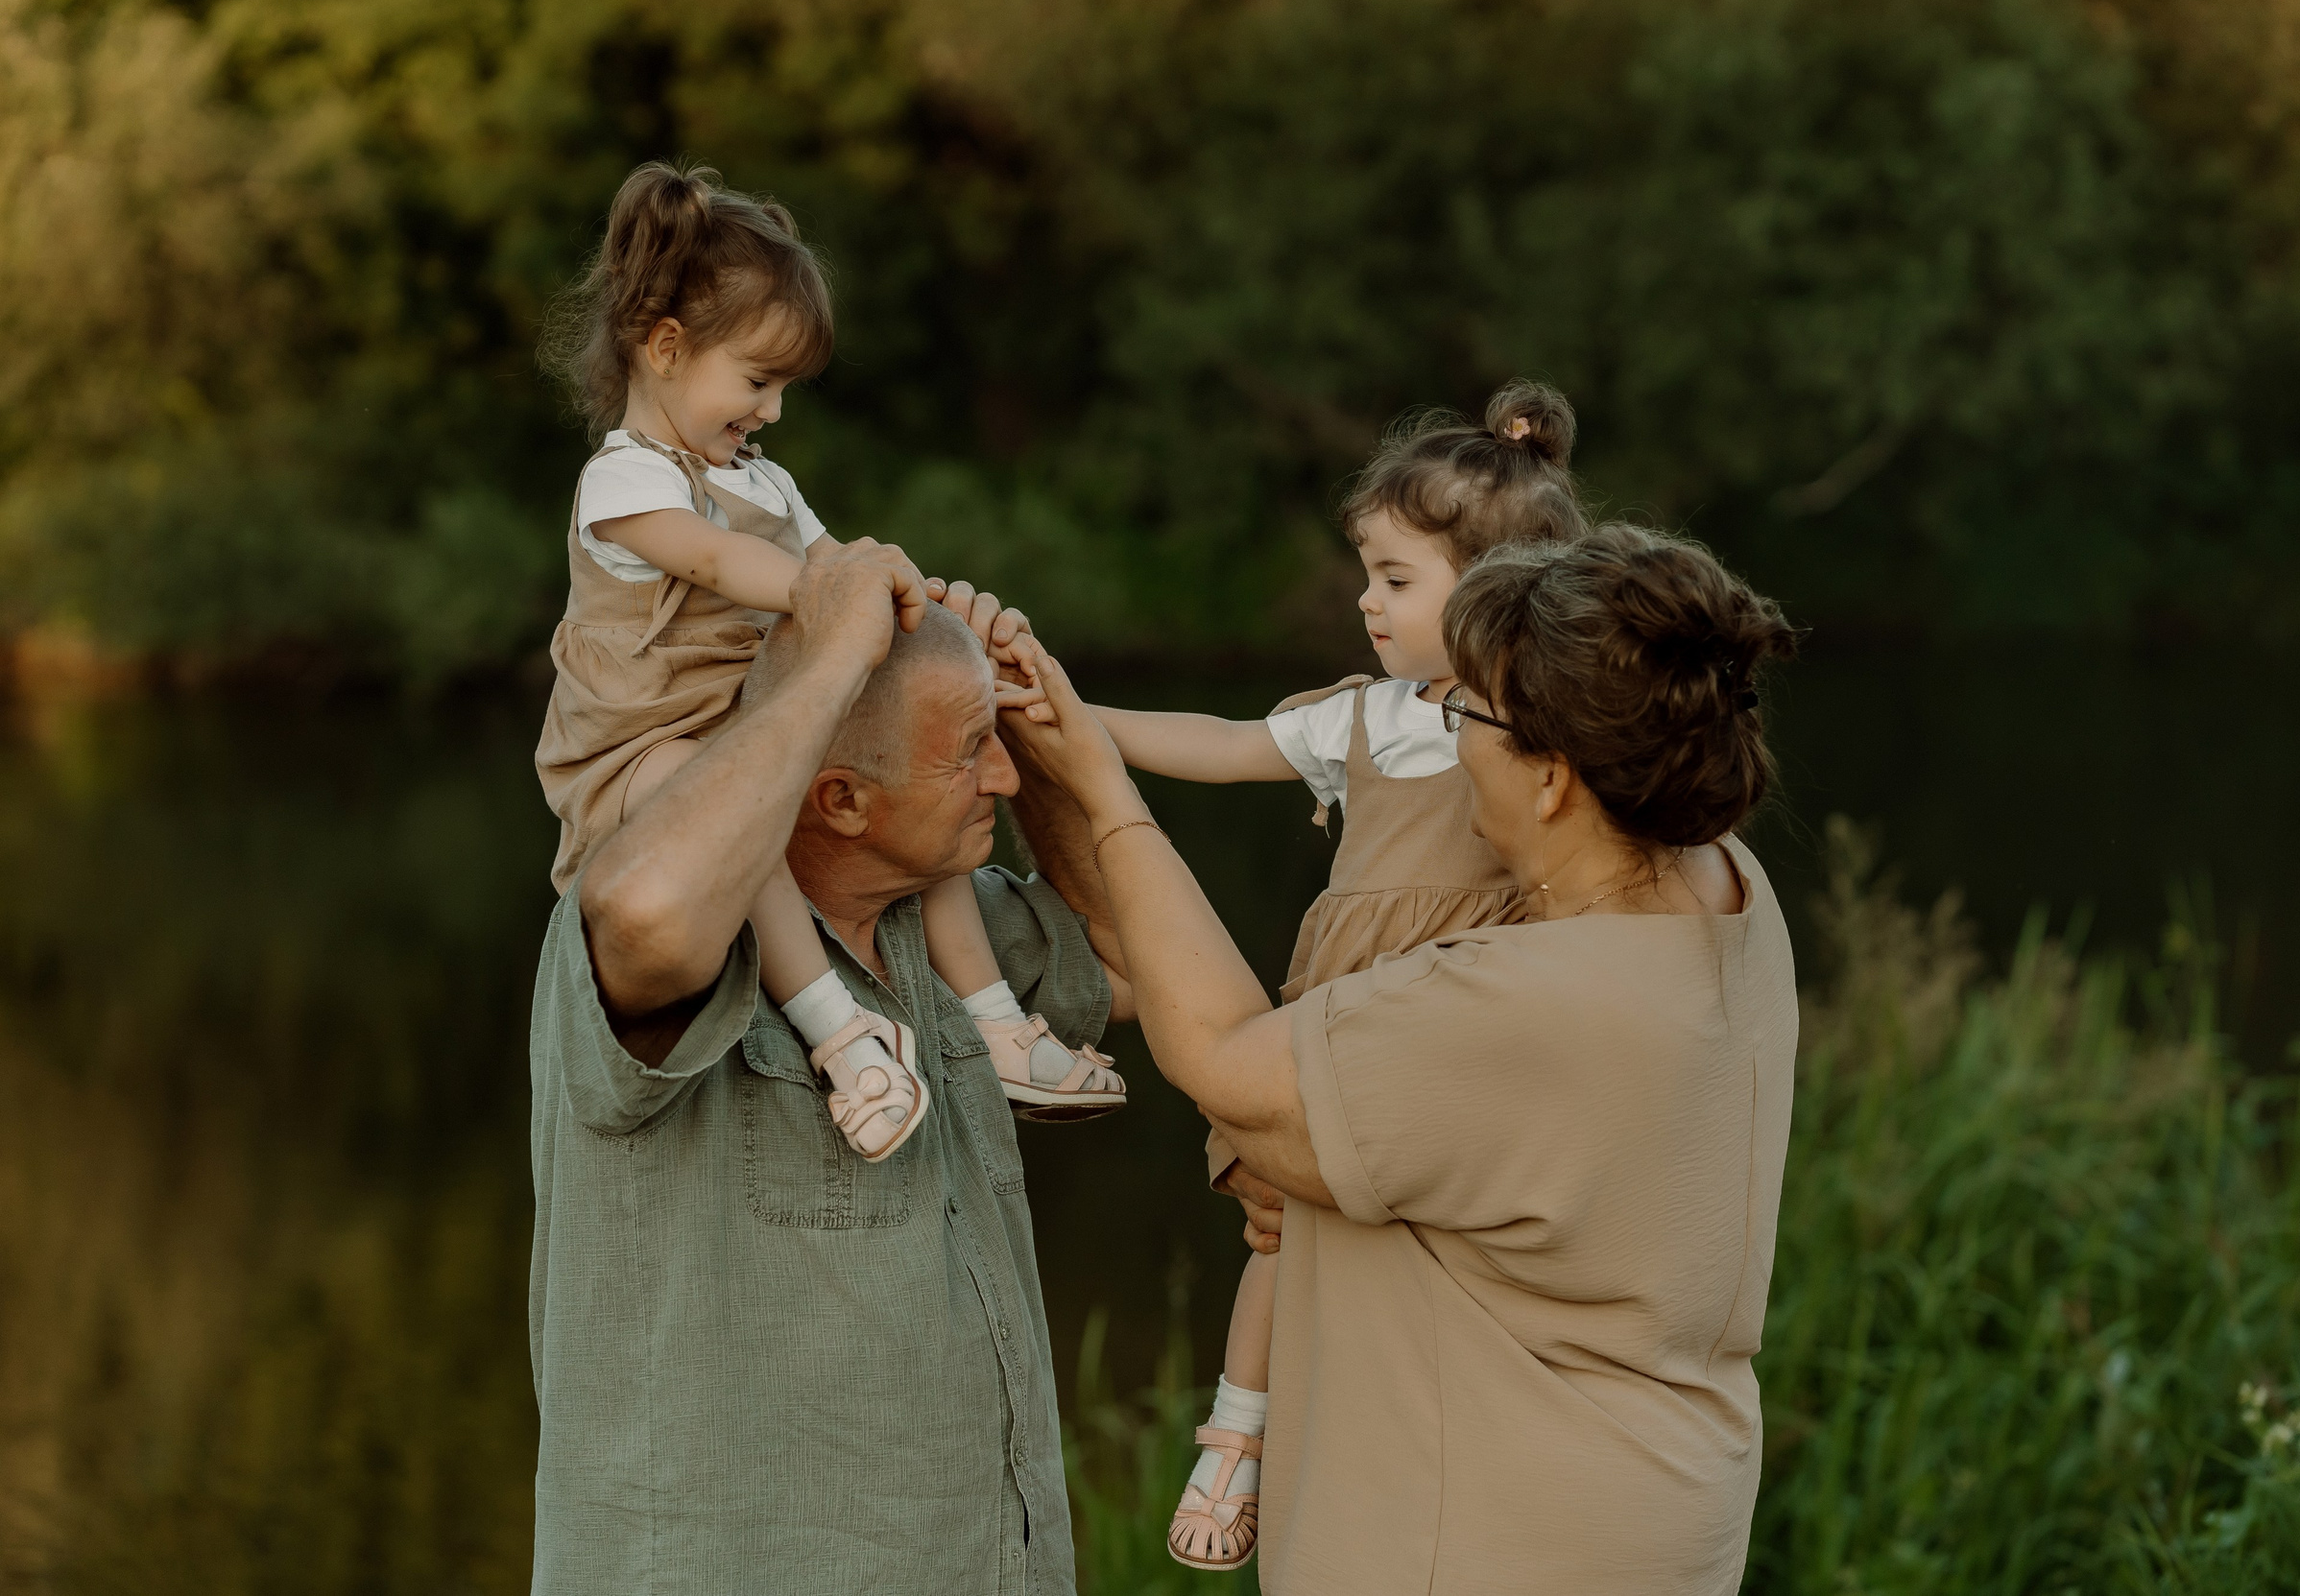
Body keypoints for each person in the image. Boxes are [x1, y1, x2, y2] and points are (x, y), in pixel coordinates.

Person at [1000, 522, 1804, 1593]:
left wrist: (1100, 793)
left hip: (1483, 1543)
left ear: (1554, 778)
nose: (1450, 739)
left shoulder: (1515, 1008)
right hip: (1657, 1511)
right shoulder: (1726, 886)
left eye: (1466, 712)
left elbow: (1225, 1059)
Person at [528, 539, 1129, 1592]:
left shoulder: (949, 928)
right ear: (841, 800)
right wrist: (838, 655)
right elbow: (647, 915)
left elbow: (1139, 962)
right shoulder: (673, 934)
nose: (999, 777)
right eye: (972, 752)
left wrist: (1035, 730)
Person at [1081, 381, 1589, 1569]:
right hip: (1342, 1020)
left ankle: (1433, 1442)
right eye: (1368, 574)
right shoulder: (1364, 719)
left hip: (1458, 1023)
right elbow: (1221, 743)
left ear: (1494, 588)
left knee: (1418, 1243)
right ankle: (1236, 1433)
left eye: (1394, 579)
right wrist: (1070, 713)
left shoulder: (1541, 730)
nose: (1365, 600)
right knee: (1283, 1229)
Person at [532, 160, 1121, 1166]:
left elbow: (836, 563)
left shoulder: (761, 479)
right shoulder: (624, 480)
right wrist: (838, 594)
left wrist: (924, 606)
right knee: (728, 804)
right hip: (643, 748)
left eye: (782, 389)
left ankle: (994, 1023)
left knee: (916, 815)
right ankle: (842, 1036)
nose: (770, 410)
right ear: (665, 349)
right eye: (756, 381)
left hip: (754, 725)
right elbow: (725, 564)